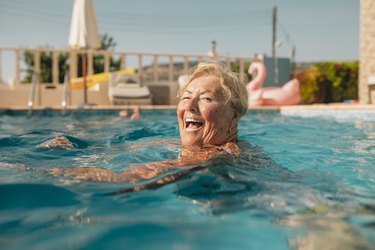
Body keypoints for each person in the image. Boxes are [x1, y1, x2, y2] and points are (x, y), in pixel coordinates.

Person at [47, 62, 248, 185]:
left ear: (234, 116)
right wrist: (84, 148)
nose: (190, 106)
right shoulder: (201, 146)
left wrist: (52, 172)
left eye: (206, 98)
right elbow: (125, 149)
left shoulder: (219, 153)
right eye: (186, 97)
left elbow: (126, 180)